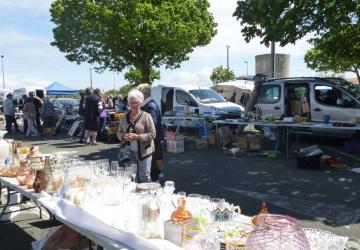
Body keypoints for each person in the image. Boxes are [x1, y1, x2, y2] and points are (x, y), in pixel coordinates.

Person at [117, 89, 156, 183]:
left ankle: (146, 196)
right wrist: (123, 136)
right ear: (128, 103)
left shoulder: (146, 116)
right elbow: (119, 132)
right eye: (131, 102)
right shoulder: (124, 116)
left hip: (144, 152)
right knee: (131, 178)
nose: (134, 105)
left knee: (144, 178)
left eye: (136, 102)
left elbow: (152, 134)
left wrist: (138, 137)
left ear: (141, 103)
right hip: (129, 153)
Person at [137, 83, 165, 182]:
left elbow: (152, 124)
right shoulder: (148, 105)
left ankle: (156, 182)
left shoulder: (150, 106)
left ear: (143, 95)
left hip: (153, 140)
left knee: (153, 162)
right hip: (152, 139)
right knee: (152, 162)